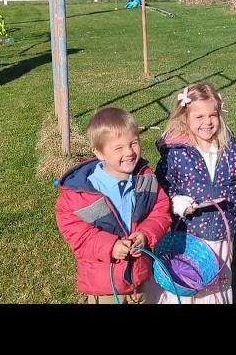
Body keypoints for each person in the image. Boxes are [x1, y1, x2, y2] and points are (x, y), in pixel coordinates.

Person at [146, 81, 236, 303]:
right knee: (185, 283)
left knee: (216, 285)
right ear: (185, 118)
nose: (207, 122)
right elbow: (162, 189)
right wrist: (177, 203)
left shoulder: (232, 149)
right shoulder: (176, 153)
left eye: (212, 115)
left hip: (222, 234)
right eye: (199, 117)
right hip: (186, 235)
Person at [55, 107, 171, 304]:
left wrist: (145, 234)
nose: (129, 152)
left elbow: (161, 212)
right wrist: (110, 246)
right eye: (118, 148)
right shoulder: (80, 194)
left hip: (140, 276)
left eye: (133, 143)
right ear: (99, 153)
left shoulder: (146, 179)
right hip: (105, 285)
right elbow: (77, 234)